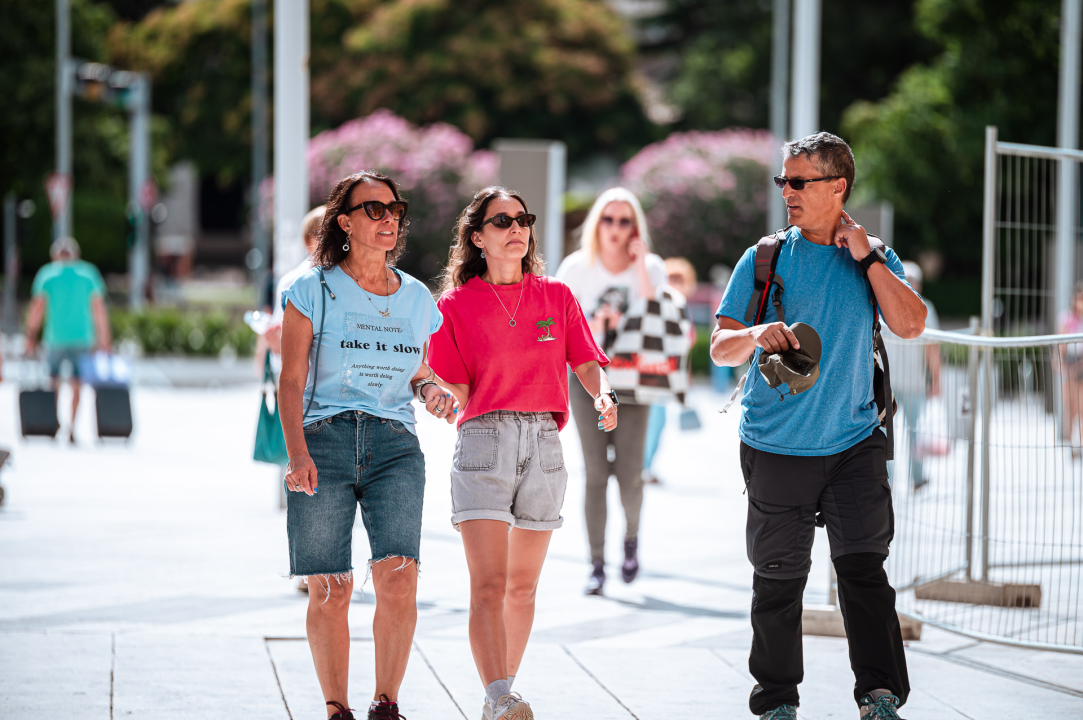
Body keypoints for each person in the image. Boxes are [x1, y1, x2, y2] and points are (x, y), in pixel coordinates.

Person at [710, 133, 925, 720]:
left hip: (854, 442)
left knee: (864, 572)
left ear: (838, 187)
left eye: (798, 181)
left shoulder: (873, 256)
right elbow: (720, 347)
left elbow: (910, 325)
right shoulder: (765, 257)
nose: (787, 192)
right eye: (784, 181)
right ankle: (777, 701)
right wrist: (755, 334)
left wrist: (868, 257)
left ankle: (879, 695)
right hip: (775, 444)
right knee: (778, 581)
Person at [427, 186, 616, 720]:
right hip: (484, 442)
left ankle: (502, 696)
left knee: (523, 587)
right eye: (501, 220)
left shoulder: (556, 295)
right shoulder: (454, 306)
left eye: (523, 219)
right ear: (477, 237)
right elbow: (454, 385)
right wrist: (439, 397)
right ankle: (499, 695)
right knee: (488, 583)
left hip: (545, 444)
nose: (516, 228)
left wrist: (602, 393)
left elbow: (584, 360)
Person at [278, 170, 455, 720]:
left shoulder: (418, 298)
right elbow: (289, 379)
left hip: (395, 444)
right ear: (345, 221)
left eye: (394, 210)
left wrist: (432, 391)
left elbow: (419, 372)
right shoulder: (312, 289)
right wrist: (297, 454)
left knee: (399, 575)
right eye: (373, 210)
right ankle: (336, 708)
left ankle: (386, 704)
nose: (388, 219)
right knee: (330, 585)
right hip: (324, 440)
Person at [555, 187, 664, 595]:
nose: (616, 229)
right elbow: (562, 328)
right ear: (595, 223)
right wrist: (594, 330)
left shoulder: (651, 267)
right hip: (588, 381)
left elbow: (658, 317)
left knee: (631, 474)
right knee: (596, 473)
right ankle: (596, 564)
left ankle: (631, 541)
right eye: (608, 219)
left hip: (636, 383)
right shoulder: (576, 268)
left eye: (625, 221)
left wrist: (637, 267)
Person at [24, 236, 112, 444]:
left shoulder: (47, 273)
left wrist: (30, 336)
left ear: (55, 255)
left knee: (53, 382)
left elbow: (37, 308)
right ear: (76, 254)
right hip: (82, 338)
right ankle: (72, 427)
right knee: (77, 384)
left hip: (54, 338)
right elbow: (99, 309)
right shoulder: (88, 273)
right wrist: (105, 339)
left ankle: (54, 424)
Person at [641, 256, 699, 484]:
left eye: (680, 278)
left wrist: (686, 377)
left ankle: (646, 466)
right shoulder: (659, 307)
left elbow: (685, 350)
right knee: (652, 421)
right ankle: (641, 467)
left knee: (659, 423)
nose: (676, 283)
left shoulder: (685, 311)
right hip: (652, 373)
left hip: (668, 375)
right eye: (671, 278)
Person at [886, 261, 940, 489]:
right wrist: (937, 380)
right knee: (912, 432)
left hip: (894, 382)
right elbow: (933, 349)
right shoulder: (924, 308)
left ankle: (891, 480)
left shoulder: (885, 304)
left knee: (890, 433)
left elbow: (932, 348)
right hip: (903, 382)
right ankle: (914, 478)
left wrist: (936, 380)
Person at [265, 205, 326, 358]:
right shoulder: (291, 282)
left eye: (331, 234)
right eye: (319, 234)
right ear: (307, 240)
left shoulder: (350, 278)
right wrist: (274, 342)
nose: (325, 240)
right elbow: (280, 338)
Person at [1057, 284, 1083, 455]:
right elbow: (1061, 346)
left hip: (1081, 363)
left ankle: (1080, 444)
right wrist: (1063, 365)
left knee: (1081, 406)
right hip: (1070, 363)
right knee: (1071, 406)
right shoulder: (1066, 318)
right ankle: (1072, 443)